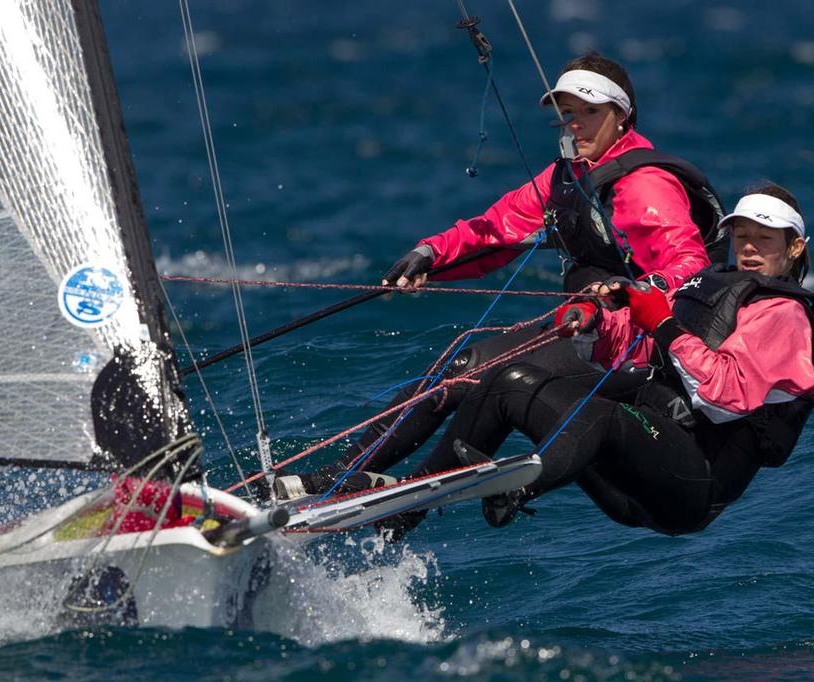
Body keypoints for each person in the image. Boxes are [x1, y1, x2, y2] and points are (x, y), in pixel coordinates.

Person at [277, 52, 725, 500]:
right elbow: (494, 230)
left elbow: (690, 264)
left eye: (590, 112)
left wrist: (638, 290)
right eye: (569, 113)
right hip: (585, 328)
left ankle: (350, 483)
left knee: (473, 372)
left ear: (621, 116)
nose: (576, 124)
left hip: (631, 344)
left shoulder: (644, 183)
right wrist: (430, 252)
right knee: (460, 370)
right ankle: (347, 479)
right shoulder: (567, 175)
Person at [400, 183, 814, 535]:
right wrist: (596, 323)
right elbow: (644, 349)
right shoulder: (718, 286)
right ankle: (408, 500)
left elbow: (724, 396)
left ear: (794, 248)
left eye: (765, 238)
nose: (750, 247)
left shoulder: (785, 313)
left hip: (692, 485)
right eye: (742, 236)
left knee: (601, 415)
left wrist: (663, 324)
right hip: (636, 462)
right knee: (511, 380)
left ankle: (516, 493)